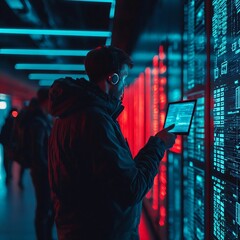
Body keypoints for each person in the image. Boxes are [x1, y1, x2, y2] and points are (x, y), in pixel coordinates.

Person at [48, 45, 176, 240]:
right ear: (112, 78)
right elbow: (131, 188)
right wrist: (158, 145)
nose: (124, 86)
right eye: (123, 78)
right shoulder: (94, 122)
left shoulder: (67, 117)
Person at [27, 88, 54, 240]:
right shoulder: (39, 122)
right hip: (42, 172)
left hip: (41, 170)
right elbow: (38, 150)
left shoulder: (42, 119)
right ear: (46, 100)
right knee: (44, 208)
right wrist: (49, 170)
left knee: (46, 207)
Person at [0, 107, 18, 185]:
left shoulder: (15, 122)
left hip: (10, 144)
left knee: (9, 160)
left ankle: (9, 174)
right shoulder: (9, 122)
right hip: (8, 144)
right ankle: (8, 174)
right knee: (8, 160)